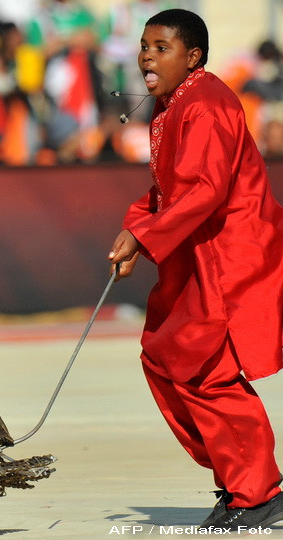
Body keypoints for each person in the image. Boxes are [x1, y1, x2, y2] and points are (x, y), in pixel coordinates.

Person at [107, 9, 283, 530]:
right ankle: (241, 479)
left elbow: (205, 189)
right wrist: (139, 227)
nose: (147, 56)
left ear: (193, 57)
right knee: (165, 356)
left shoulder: (204, 105)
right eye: (145, 46)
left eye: (162, 47)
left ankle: (257, 491)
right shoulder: (175, 102)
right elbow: (171, 191)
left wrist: (144, 233)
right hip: (195, 251)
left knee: (208, 370)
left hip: (229, 256)